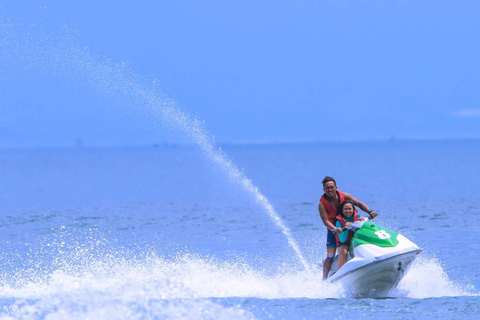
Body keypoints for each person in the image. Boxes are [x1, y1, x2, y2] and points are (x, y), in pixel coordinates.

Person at [318, 176, 378, 280]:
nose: (330, 190)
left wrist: (369, 211)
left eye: (332, 187)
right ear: (324, 189)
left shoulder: (345, 196)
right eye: (327, 188)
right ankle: (324, 280)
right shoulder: (322, 204)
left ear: (336, 187)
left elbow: (358, 203)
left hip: (350, 225)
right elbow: (325, 221)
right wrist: (335, 229)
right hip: (334, 230)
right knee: (330, 255)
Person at [335, 200, 366, 270]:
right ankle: (341, 271)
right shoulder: (338, 222)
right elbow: (342, 240)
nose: (348, 211)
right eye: (345, 209)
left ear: (353, 209)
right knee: (343, 251)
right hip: (344, 244)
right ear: (342, 210)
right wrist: (346, 227)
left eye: (349, 209)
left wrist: (362, 221)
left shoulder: (357, 217)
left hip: (356, 241)